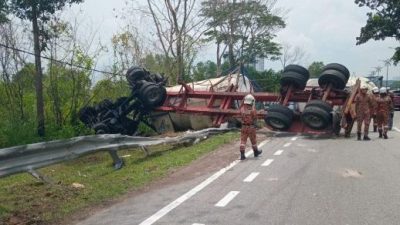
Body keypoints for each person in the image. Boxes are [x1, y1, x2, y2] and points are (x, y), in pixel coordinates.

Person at [239, 94, 262, 160]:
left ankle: (242, 155)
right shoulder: (253, 110)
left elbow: (240, 108)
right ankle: (256, 152)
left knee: (243, 141)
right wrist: (256, 126)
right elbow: (255, 119)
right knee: (253, 141)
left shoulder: (242, 109)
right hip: (251, 127)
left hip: (243, 127)